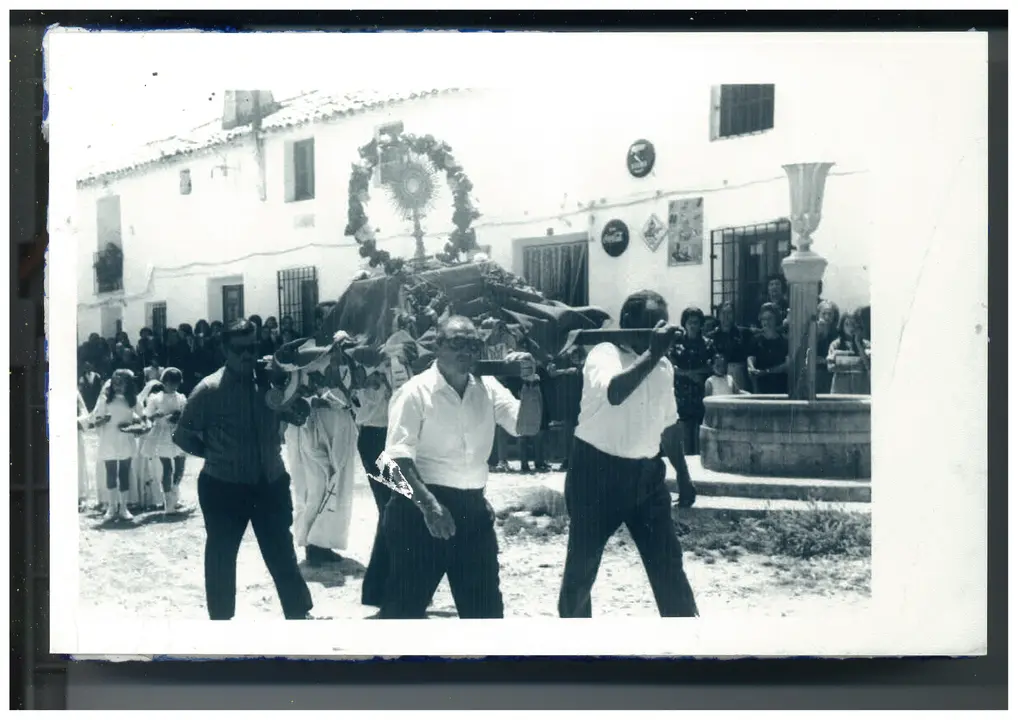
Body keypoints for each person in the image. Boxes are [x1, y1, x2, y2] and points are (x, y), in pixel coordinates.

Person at [380, 315, 539, 619]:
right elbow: (395, 460)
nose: (466, 350)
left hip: (472, 512)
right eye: (457, 342)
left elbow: (526, 426)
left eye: (473, 343)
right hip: (420, 511)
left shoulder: (488, 387)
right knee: (403, 614)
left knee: (485, 614)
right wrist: (430, 506)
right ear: (438, 346)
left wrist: (530, 381)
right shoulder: (415, 392)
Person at [557, 290, 699, 618]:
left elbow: (670, 426)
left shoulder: (663, 366)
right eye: (650, 323)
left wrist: (684, 476)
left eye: (661, 322)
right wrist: (652, 353)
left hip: (647, 478)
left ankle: (688, 645)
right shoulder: (604, 353)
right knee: (582, 570)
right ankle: (572, 651)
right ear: (627, 323)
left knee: (668, 565)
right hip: (595, 475)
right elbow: (616, 392)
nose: (658, 330)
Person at [172, 318, 315, 621]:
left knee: (281, 553)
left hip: (270, 482)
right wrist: (215, 455)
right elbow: (182, 435)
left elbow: (299, 417)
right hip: (224, 487)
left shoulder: (271, 382)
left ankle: (299, 613)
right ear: (225, 349)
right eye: (240, 350)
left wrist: (295, 397)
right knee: (222, 557)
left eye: (253, 348)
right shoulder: (208, 390)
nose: (248, 356)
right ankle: (222, 624)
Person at [284, 344, 358, 572]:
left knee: (339, 483)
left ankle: (324, 542)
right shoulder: (305, 363)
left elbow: (354, 394)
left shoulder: (350, 364)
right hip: (314, 427)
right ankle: (312, 542)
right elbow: (291, 398)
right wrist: (314, 401)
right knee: (315, 485)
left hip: (341, 426)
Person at [354, 362, 394, 608]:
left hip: (386, 437)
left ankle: (379, 587)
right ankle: (379, 587)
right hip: (376, 437)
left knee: (391, 509)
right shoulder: (370, 369)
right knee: (391, 509)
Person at [91, 368, 147, 522]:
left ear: (128, 384)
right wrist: (104, 420)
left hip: (125, 440)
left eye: (121, 384)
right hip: (109, 439)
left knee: (124, 473)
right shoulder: (105, 400)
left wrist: (138, 426)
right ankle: (111, 507)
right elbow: (95, 421)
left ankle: (123, 508)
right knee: (111, 473)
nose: (118, 387)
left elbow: (144, 420)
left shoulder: (133, 400)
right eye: (115, 384)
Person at [669, 306, 714, 456]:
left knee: (701, 438)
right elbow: (672, 367)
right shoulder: (677, 345)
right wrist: (690, 374)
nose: (693, 326)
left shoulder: (708, 344)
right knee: (685, 437)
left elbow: (712, 366)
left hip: (702, 395)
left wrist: (696, 373)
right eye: (690, 322)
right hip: (682, 396)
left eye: (696, 322)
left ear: (701, 324)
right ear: (684, 324)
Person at [144, 367, 188, 515]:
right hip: (162, 434)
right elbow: (148, 415)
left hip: (178, 433)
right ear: (164, 382)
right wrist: (158, 415)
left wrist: (178, 416)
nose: (173, 386)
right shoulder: (156, 398)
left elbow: (185, 414)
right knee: (167, 468)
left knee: (180, 467)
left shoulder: (181, 397)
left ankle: (174, 497)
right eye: (170, 383)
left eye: (176, 383)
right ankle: (168, 503)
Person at [708, 301, 751, 392]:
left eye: (729, 313)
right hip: (719, 378)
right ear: (718, 316)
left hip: (739, 376)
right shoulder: (712, 336)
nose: (726, 316)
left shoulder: (744, 334)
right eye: (723, 313)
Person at [747, 303, 790, 395]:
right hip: (761, 389)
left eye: (770, 318)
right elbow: (751, 358)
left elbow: (787, 365)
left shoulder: (784, 341)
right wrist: (751, 367)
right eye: (763, 319)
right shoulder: (755, 340)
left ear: (776, 319)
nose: (766, 322)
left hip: (780, 389)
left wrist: (766, 372)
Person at [827, 311, 871, 395]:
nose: (850, 327)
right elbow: (830, 367)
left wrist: (858, 343)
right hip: (840, 388)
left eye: (853, 324)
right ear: (842, 326)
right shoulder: (836, 344)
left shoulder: (866, 344)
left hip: (860, 388)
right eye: (847, 324)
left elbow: (868, 365)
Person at [815, 300, 841, 396]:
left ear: (834, 316)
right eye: (824, 313)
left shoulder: (838, 334)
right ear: (818, 315)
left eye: (830, 314)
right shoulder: (813, 333)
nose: (827, 317)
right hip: (817, 375)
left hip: (834, 375)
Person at [77, 389, 93, 510]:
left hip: (73, 433)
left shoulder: (74, 393)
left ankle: (79, 496)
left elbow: (84, 413)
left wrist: (78, 421)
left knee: (78, 463)